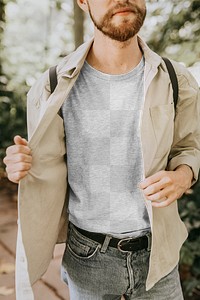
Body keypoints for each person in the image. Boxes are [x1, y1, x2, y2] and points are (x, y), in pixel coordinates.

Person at [3, 0, 200, 299]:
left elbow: (189, 147)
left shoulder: (176, 79)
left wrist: (184, 175)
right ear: (83, 2)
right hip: (88, 258)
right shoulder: (52, 86)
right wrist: (22, 166)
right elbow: (43, 165)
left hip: (159, 257)